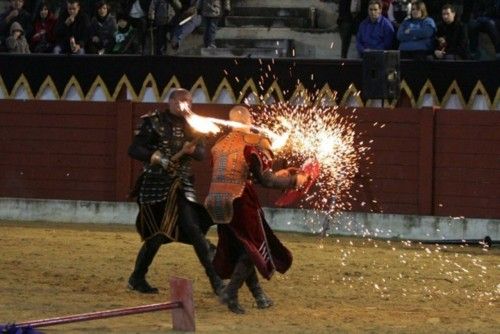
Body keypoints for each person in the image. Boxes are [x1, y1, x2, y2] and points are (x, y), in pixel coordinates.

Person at [205, 106, 308, 314]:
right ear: (249, 120)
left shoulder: (219, 144)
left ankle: (258, 297)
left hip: (215, 200)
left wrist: (279, 174)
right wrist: (294, 180)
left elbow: (244, 172)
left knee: (243, 247)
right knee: (251, 249)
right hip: (240, 199)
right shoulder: (252, 143)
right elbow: (266, 180)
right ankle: (231, 293)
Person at [127, 88, 225, 296]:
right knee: (156, 235)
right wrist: (159, 159)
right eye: (181, 101)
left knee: (192, 227)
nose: (185, 106)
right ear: (170, 101)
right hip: (155, 183)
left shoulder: (194, 124)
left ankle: (215, 280)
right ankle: (137, 277)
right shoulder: (153, 121)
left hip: (181, 184)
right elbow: (134, 149)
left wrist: (192, 150)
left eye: (189, 102)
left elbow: (200, 154)